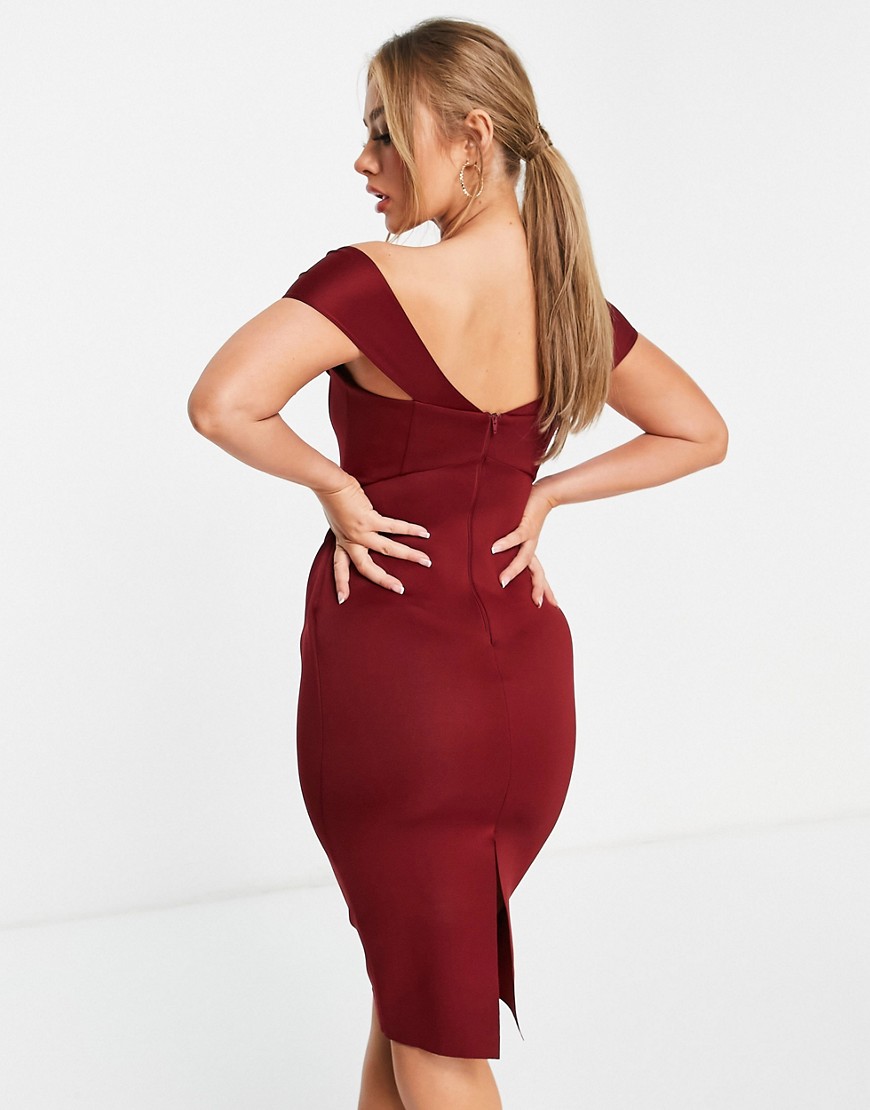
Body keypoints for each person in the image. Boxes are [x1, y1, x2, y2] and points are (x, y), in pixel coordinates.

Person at [187, 16, 728, 1110]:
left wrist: (338, 486)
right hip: (525, 697)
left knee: (435, 1040)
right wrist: (548, 491)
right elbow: (700, 431)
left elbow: (221, 403)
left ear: (472, 136)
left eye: (386, 131)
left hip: (403, 702)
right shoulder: (568, 303)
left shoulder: (366, 284)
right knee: (410, 1003)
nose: (365, 160)